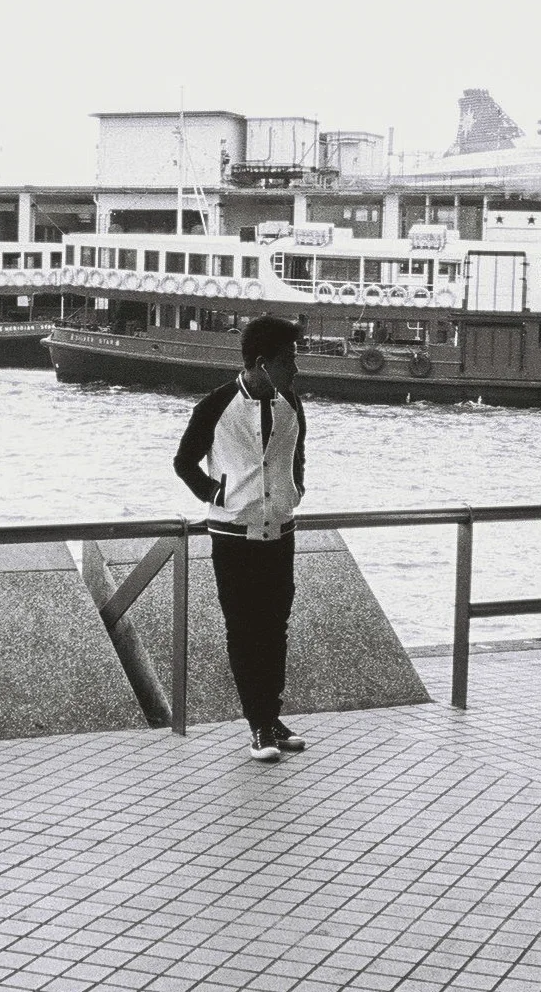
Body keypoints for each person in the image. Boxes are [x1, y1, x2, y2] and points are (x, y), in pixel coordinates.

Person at [174, 315, 308, 762]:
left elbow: (297, 453)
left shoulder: (291, 402)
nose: (295, 369)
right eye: (288, 360)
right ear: (260, 362)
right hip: (233, 536)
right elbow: (184, 463)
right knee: (245, 630)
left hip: (280, 533)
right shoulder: (216, 405)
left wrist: (296, 489)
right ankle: (258, 725)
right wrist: (219, 494)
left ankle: (272, 715)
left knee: (276, 628)